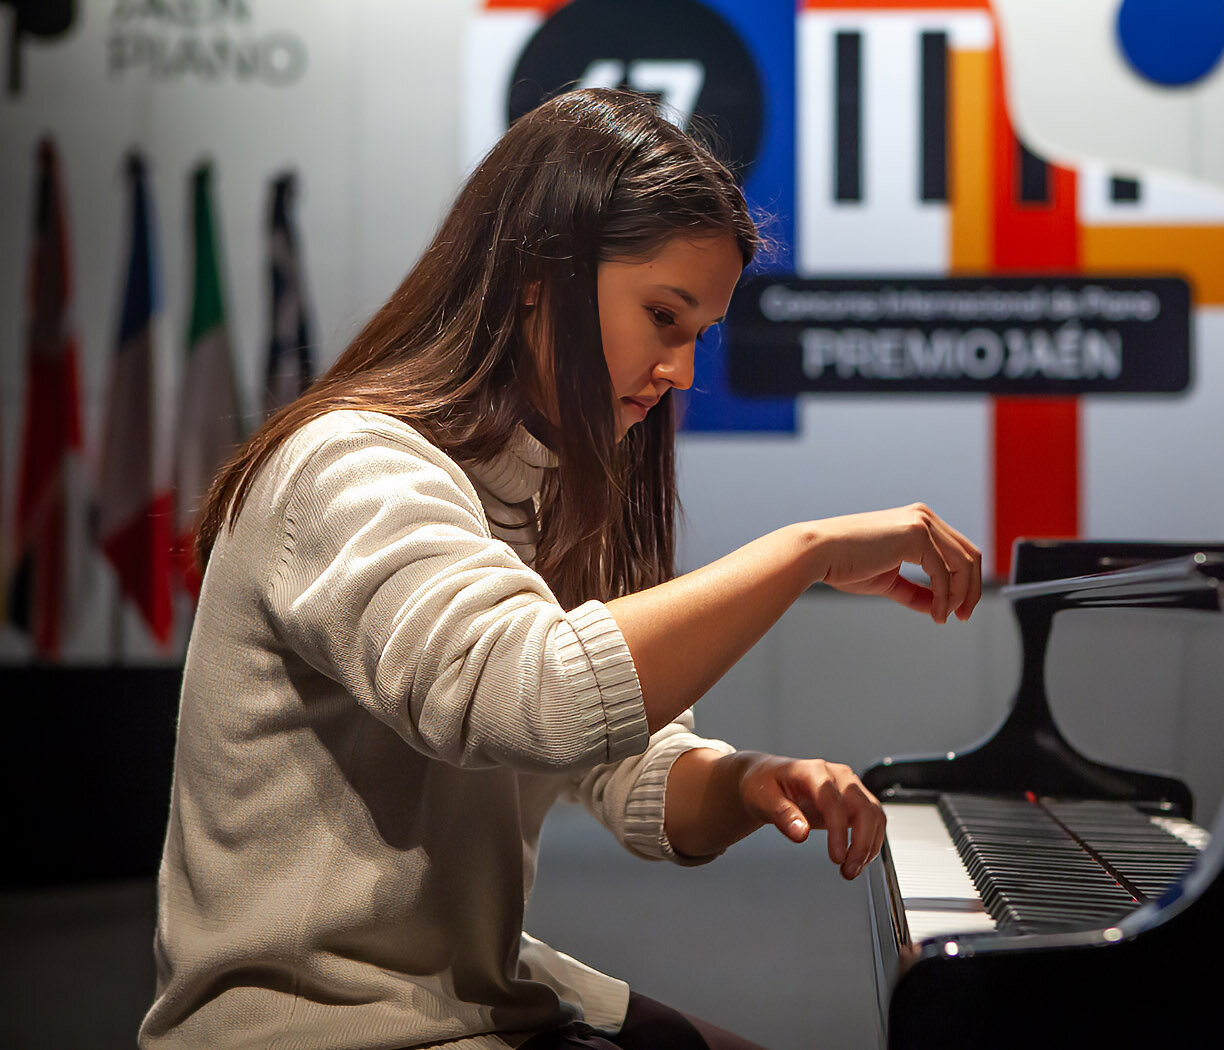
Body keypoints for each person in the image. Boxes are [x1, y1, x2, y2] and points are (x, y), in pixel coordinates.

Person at [140, 89, 981, 1050]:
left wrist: (745, 781)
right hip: (313, 1028)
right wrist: (806, 553)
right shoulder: (349, 463)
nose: (682, 373)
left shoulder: (550, 490)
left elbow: (629, 771)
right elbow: (526, 698)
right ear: (540, 274)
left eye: (697, 333)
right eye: (664, 316)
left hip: (466, 998)